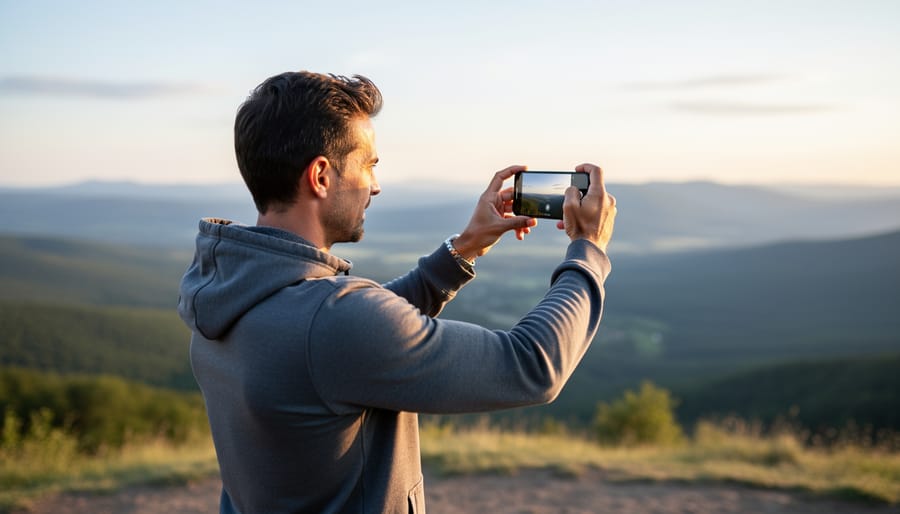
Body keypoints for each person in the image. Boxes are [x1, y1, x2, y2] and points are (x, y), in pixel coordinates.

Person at [177, 70, 616, 514]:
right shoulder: (331, 319)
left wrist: (464, 248)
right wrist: (587, 252)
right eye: (369, 164)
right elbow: (531, 367)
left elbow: (348, 343)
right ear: (321, 176)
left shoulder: (227, 295)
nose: (376, 185)